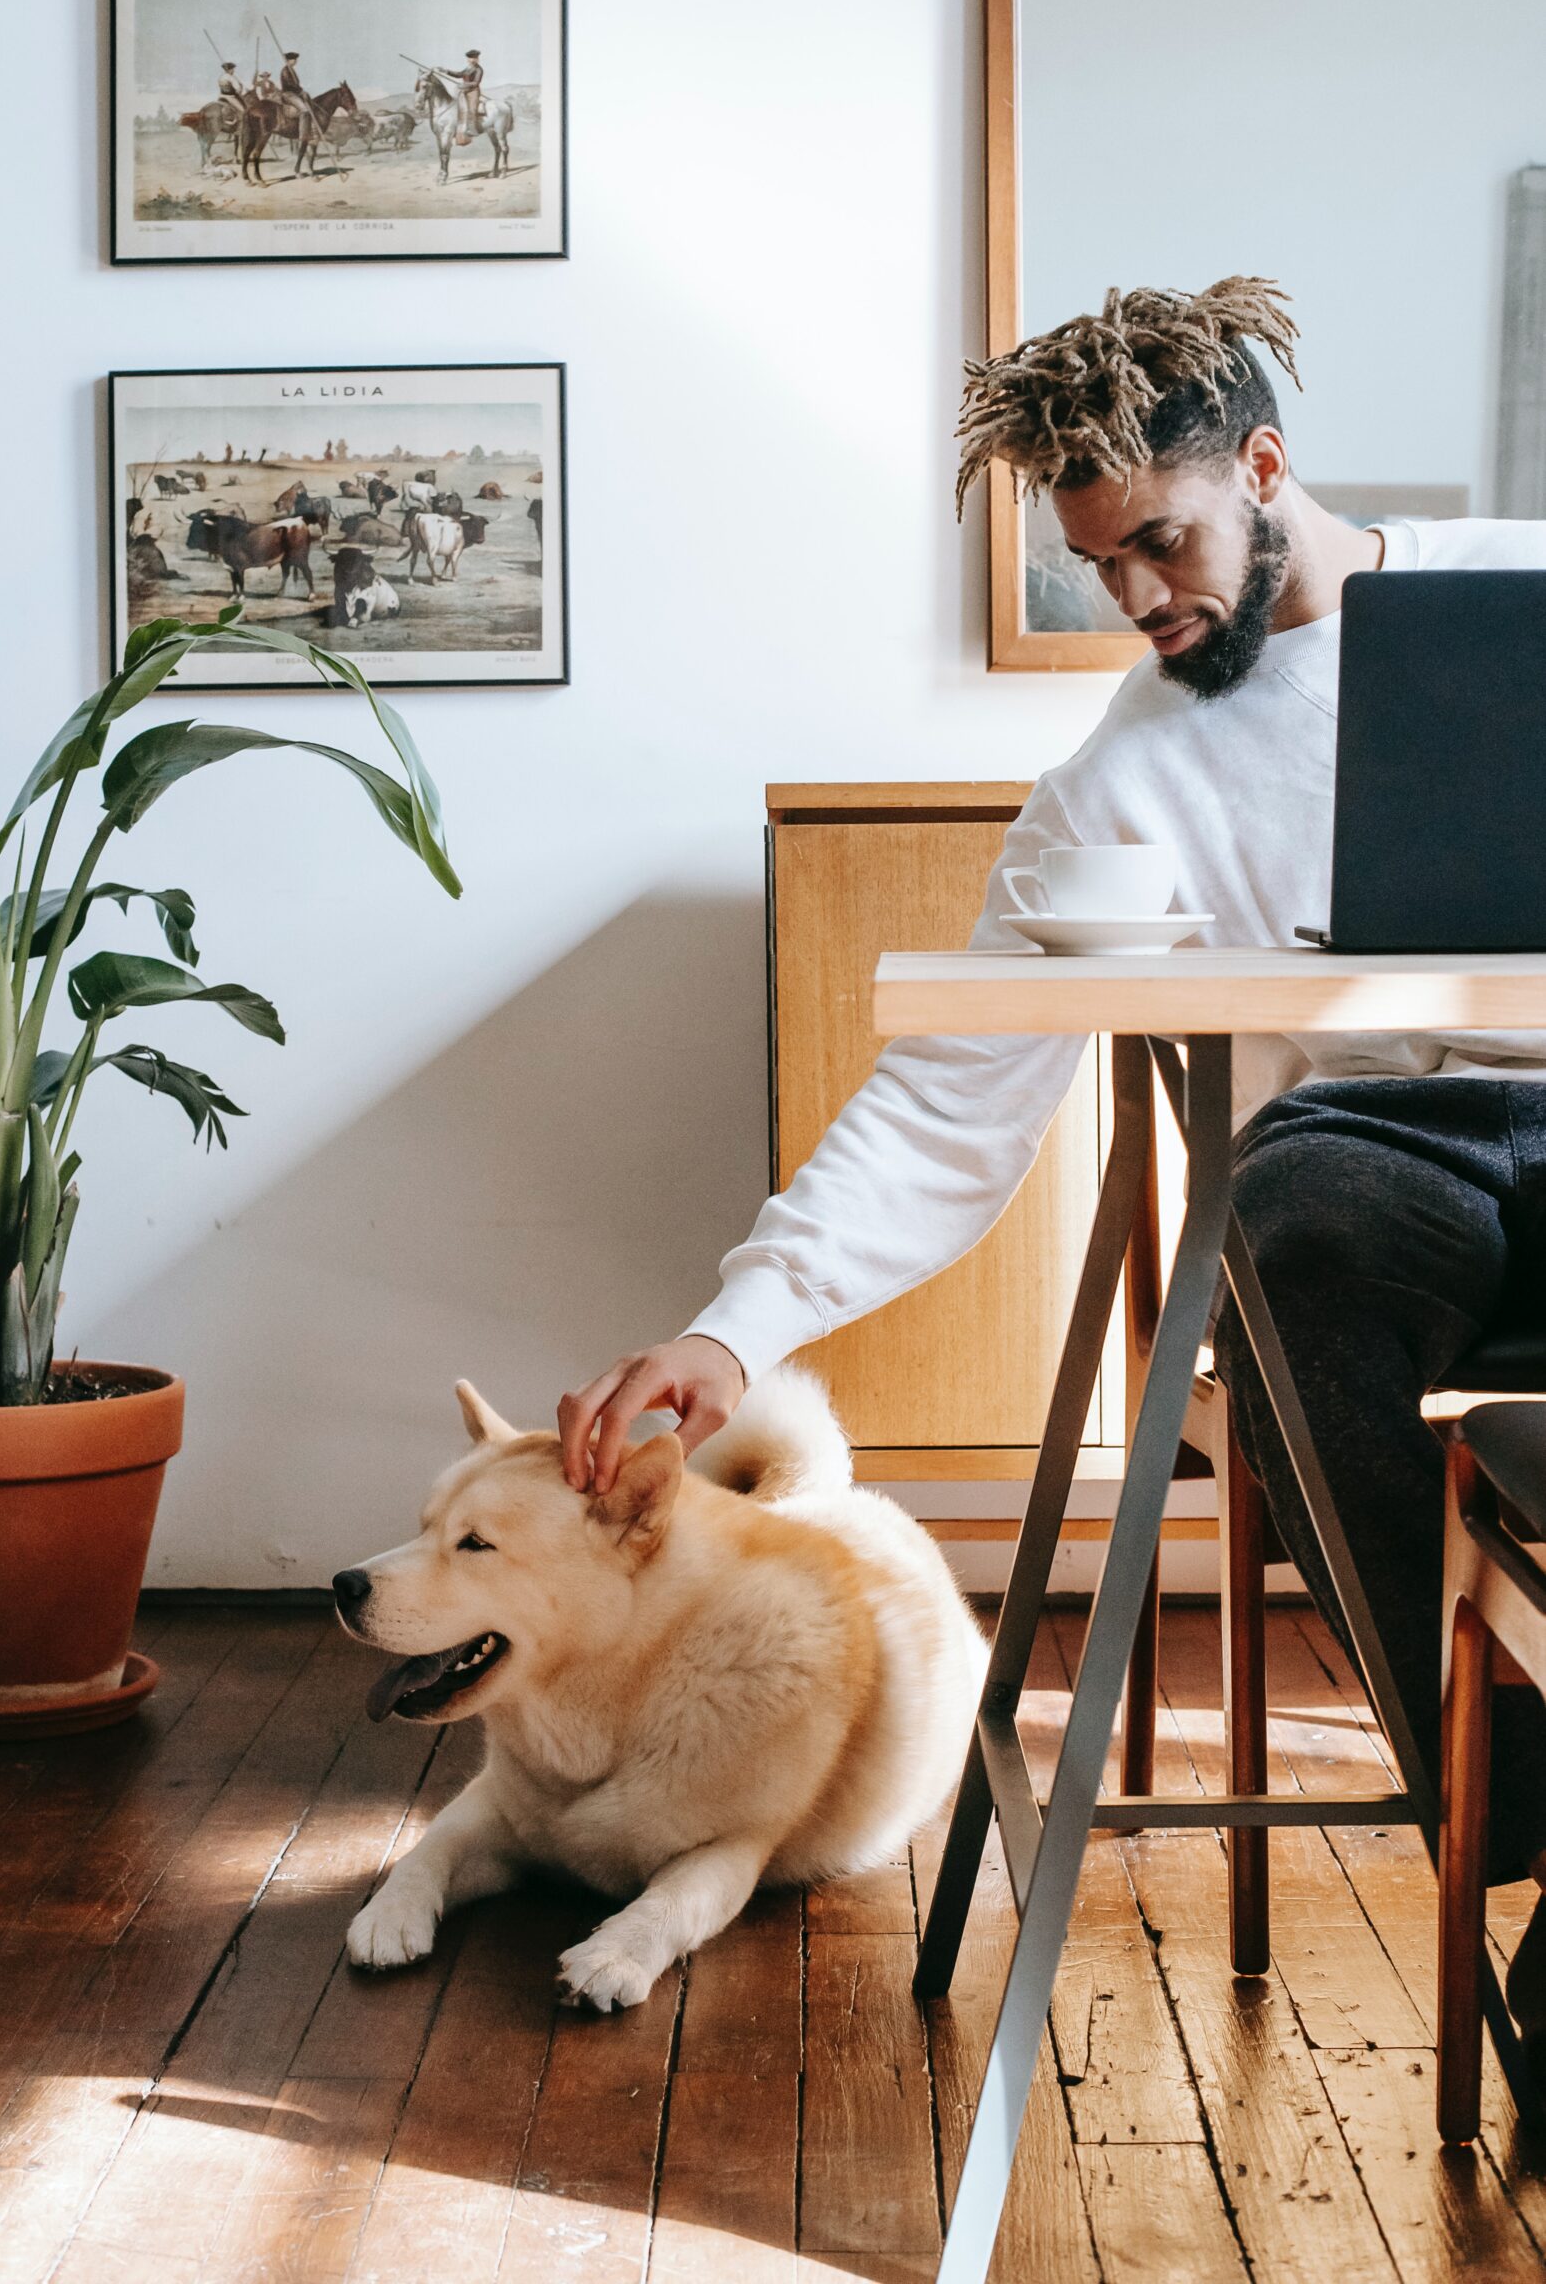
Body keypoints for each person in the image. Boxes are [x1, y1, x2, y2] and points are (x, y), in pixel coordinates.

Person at [558, 272, 1546, 2066]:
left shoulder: (1523, 588)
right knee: (1288, 1230)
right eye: (1103, 568)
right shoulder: (1115, 788)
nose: (1142, 600)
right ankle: (1530, 1798)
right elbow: (949, 1107)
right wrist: (734, 1328)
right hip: (1374, 1160)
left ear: (1263, 465)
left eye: (1162, 542)